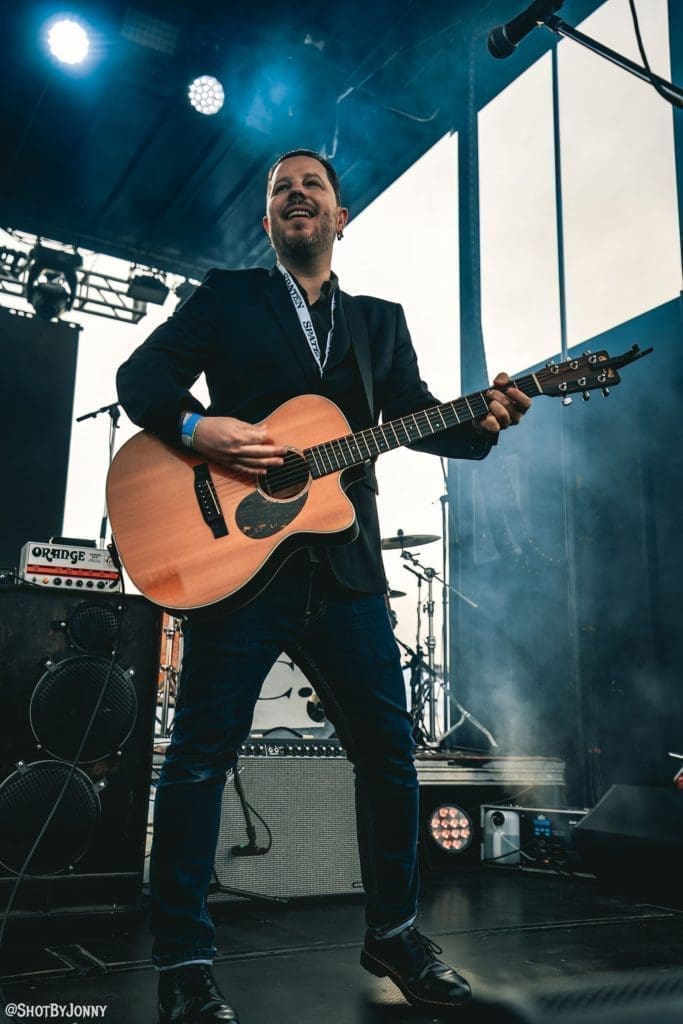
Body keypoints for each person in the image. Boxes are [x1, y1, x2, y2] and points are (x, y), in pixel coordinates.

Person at [116, 149, 531, 1024]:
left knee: (388, 758)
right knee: (196, 764)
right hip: (238, 571)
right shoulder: (228, 296)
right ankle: (186, 963)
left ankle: (393, 932)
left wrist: (486, 418)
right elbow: (139, 382)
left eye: (311, 186)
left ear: (341, 218)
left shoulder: (380, 322)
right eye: (279, 189)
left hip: (343, 570)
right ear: (268, 222)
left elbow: (423, 417)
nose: (295, 194)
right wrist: (203, 428)